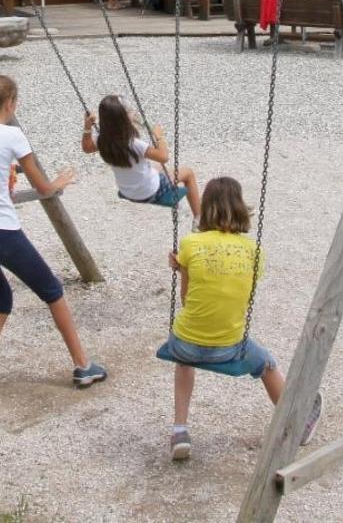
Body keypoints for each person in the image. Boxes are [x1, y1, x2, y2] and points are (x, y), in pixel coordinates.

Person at [0, 75, 107, 409]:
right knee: (52, 291)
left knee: (0, 304)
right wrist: (61, 180)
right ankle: (82, 365)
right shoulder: (13, 136)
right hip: (2, 232)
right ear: (11, 103)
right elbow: (42, 187)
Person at [163, 177, 321, 461]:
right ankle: (295, 422)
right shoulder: (255, 252)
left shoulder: (190, 243)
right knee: (266, 364)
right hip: (229, 347)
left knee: (184, 361)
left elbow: (188, 300)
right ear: (239, 209)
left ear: (206, 209)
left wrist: (182, 268)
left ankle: (180, 430)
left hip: (185, 344)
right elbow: (239, 297)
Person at [81, 94, 201, 222]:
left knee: (158, 168)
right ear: (123, 119)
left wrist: (87, 126)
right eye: (130, 112)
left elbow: (86, 148)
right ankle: (199, 218)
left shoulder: (101, 139)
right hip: (148, 191)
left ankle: (177, 200)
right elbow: (164, 157)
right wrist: (159, 136)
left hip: (126, 190)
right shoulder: (133, 143)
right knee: (188, 173)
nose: (133, 113)